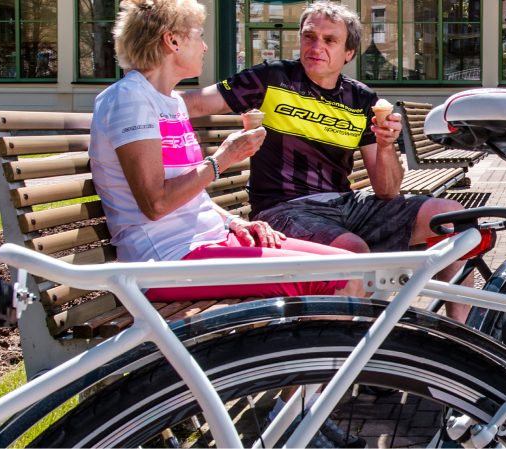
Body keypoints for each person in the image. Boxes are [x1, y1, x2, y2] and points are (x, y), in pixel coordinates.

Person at [181, 1, 470, 321]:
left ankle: (464, 339)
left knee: (452, 217)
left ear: (349, 52)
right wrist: (138, 97)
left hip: (346, 205)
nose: (316, 46)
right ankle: (341, 353)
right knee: (353, 253)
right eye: (309, 37)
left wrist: (387, 145)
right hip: (283, 209)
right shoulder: (272, 78)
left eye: (329, 40)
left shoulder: (362, 99)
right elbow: (194, 103)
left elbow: (387, 191)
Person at [90, 0, 366, 302]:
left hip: (211, 240)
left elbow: (192, 197)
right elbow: (156, 204)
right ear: (172, 41)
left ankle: (325, 347)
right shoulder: (129, 100)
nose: (205, 47)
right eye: (198, 35)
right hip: (167, 259)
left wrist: (234, 221)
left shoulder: (170, 102)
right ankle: (318, 348)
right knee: (336, 276)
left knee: (351, 266)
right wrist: (222, 159)